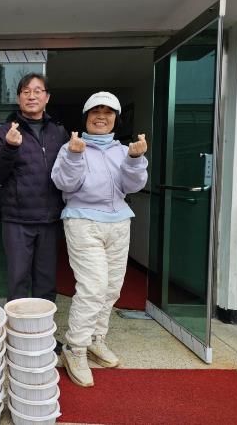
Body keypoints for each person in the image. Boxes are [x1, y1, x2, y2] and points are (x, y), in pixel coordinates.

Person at [51, 91, 148, 387]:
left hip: (119, 222)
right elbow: (64, 183)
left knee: (111, 287)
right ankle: (75, 347)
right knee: (92, 287)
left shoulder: (123, 150)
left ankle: (96, 338)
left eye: (108, 112)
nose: (101, 117)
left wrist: (135, 158)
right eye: (96, 112)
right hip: (83, 221)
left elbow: (132, 185)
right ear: (86, 117)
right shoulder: (72, 147)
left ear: (116, 119)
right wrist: (74, 155)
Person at [0, 73, 68, 303]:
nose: (32, 96)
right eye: (26, 91)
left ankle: (43, 326)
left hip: (50, 220)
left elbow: (69, 173)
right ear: (19, 98)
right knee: (18, 280)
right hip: (17, 220)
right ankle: (17, 326)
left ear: (47, 97)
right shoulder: (5, 131)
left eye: (37, 91)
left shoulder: (58, 132)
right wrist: (10, 147)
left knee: (46, 281)